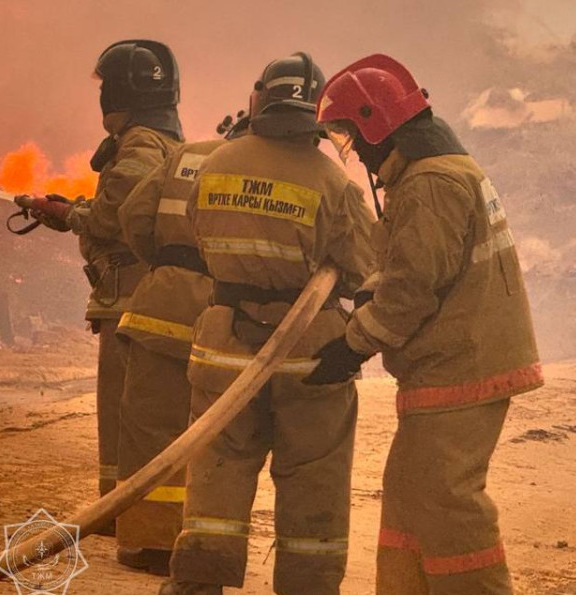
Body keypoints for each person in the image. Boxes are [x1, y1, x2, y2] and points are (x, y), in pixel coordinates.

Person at [307, 53, 543, 595]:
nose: (352, 149)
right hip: (453, 360)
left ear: (376, 124)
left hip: (462, 364)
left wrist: (353, 344)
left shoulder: (429, 184)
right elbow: (405, 267)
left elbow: (412, 287)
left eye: (348, 134)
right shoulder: (434, 174)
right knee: (411, 494)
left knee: (447, 500)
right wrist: (364, 301)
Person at [162, 53, 376, 595]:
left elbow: (196, 235)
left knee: (217, 469)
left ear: (259, 100)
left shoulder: (215, 164)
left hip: (225, 343)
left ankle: (198, 583)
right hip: (309, 355)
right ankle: (307, 586)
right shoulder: (335, 182)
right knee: (314, 476)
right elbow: (364, 268)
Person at [19, 39, 183, 518]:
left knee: (120, 413)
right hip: (139, 294)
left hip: (126, 298)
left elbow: (115, 218)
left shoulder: (139, 144)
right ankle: (124, 511)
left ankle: (114, 514)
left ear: (120, 93)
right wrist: (68, 210)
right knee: (140, 411)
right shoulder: (163, 141)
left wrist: (71, 216)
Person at [114, 117, 237, 573]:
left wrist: (165, 264)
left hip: (161, 304)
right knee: (216, 438)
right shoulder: (284, 168)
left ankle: (149, 543)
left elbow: (133, 215)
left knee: (149, 427)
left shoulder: (187, 155)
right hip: (227, 315)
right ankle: (198, 542)